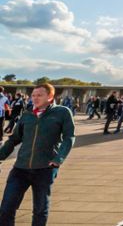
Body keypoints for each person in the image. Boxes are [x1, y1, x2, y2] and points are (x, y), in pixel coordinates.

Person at [0, 84, 75, 226]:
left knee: (40, 210)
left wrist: (59, 158)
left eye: (39, 95)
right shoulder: (27, 114)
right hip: (20, 168)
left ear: (50, 96)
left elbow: (69, 137)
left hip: (45, 168)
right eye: (33, 95)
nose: (35, 98)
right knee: (6, 208)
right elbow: (14, 139)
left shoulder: (62, 112)